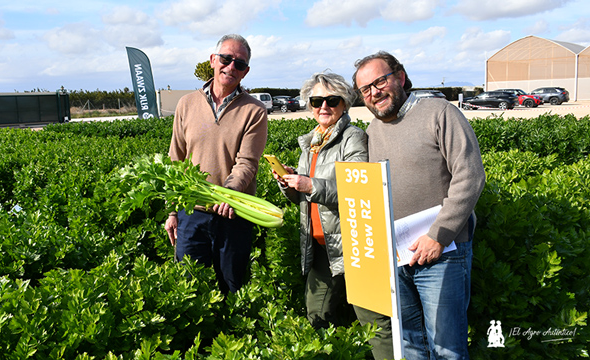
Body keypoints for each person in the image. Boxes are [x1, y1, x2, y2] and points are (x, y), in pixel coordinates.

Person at [352, 52, 486, 360]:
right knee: (411, 346)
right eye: (365, 89)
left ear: (399, 77)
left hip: (443, 254)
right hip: (397, 257)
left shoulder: (439, 113)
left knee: (447, 349)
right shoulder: (372, 131)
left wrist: (439, 235)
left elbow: (470, 175)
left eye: (380, 81)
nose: (374, 93)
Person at [165, 34, 268, 294]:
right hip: (192, 215)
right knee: (188, 289)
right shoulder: (186, 104)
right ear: (213, 60)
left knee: (232, 288)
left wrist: (228, 196)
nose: (231, 67)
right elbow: (175, 159)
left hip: (234, 214)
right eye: (226, 59)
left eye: (240, 64)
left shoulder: (254, 111)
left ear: (246, 72)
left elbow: (247, 163)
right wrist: (172, 212)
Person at [273, 72, 368, 329]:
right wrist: (289, 183)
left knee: (370, 319)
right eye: (316, 101)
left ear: (345, 103)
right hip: (319, 246)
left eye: (332, 100)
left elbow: (358, 189)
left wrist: (310, 184)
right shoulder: (311, 142)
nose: (323, 107)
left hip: (350, 246)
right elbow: (304, 199)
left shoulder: (353, 137)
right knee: (318, 315)